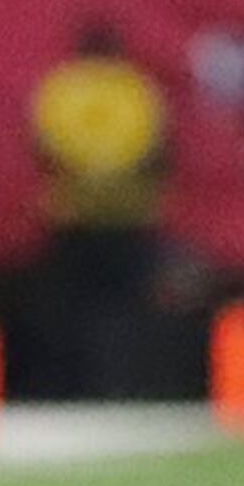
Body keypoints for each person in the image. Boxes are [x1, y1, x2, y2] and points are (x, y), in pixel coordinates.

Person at [29, 20, 172, 398]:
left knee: (75, 310)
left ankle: (75, 389)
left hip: (75, 212)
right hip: (127, 213)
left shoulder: (62, 89)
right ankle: (120, 385)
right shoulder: (136, 89)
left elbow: (45, 149)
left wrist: (85, 177)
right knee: (122, 311)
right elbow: (156, 151)